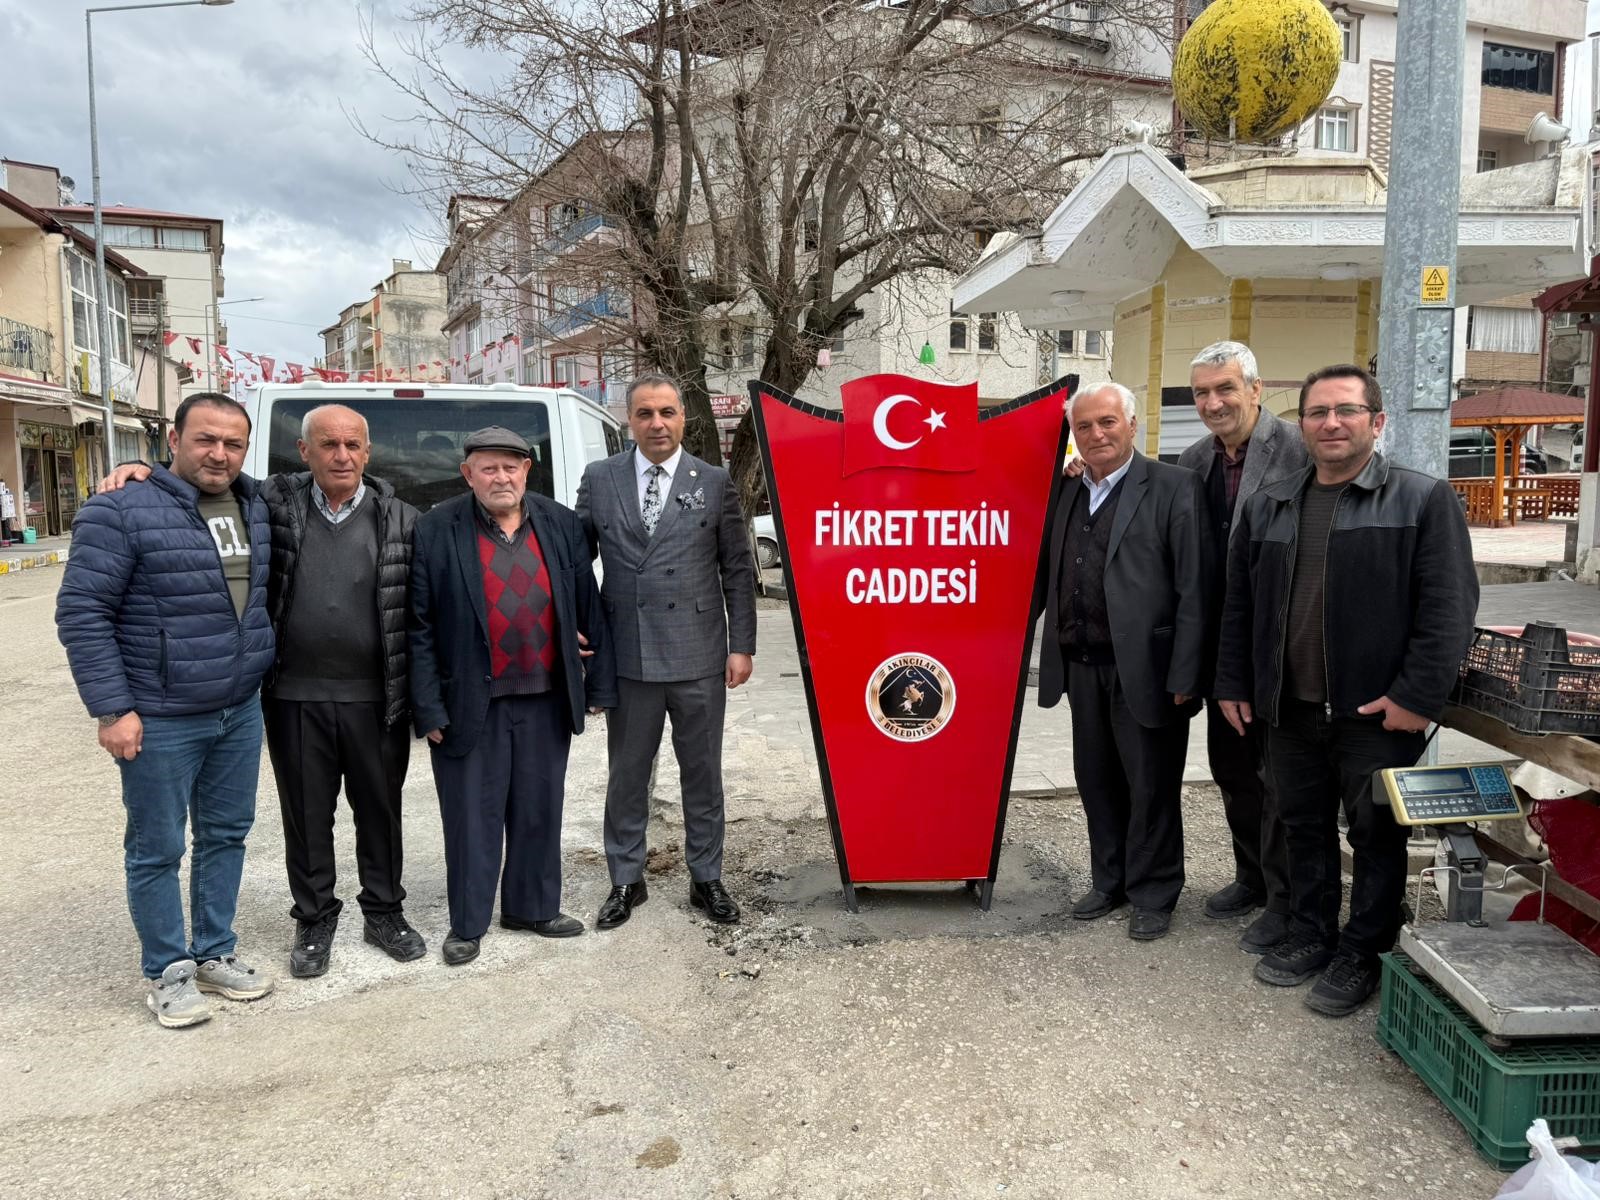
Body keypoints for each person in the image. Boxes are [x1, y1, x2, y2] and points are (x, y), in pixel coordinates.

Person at [99, 405, 426, 978]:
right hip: (292, 695)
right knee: (306, 815)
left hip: (377, 698)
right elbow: (200, 480)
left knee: (381, 812)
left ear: (369, 452)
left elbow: (426, 610)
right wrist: (142, 467)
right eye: (328, 445)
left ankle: (384, 910)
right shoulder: (271, 505)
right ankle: (315, 917)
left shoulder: (402, 517)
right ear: (304, 452)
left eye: (353, 445)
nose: (342, 456)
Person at [1216, 364, 1478, 1016]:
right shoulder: (1271, 502)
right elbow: (1239, 606)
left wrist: (1417, 697)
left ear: (1377, 422)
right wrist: (1233, 682)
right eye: (1318, 412)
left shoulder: (1421, 500)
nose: (1332, 423)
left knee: (1376, 833)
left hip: (1375, 713)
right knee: (1302, 827)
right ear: (1301, 425)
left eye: (1347, 411)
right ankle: (1311, 933)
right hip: (1288, 707)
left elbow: (1447, 610)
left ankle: (1363, 950)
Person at [57, 392, 276, 1028]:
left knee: (226, 834)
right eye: (205, 439)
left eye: (233, 443)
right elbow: (82, 612)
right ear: (172, 440)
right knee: (157, 848)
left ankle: (213, 951)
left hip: (239, 707)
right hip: (161, 714)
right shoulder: (120, 510)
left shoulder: (256, 504)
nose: (219, 453)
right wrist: (111, 707)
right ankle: (167, 970)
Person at [408, 426, 616, 965]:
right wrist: (427, 706)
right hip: (468, 701)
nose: (501, 477)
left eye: (511, 466)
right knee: (472, 817)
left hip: (546, 694)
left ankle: (533, 907)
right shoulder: (436, 529)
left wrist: (599, 684)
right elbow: (419, 625)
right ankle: (468, 923)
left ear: (528, 471)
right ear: (468, 473)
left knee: (539, 809)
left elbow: (585, 601)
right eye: (489, 467)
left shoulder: (560, 523)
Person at [575, 374, 757, 929]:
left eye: (668, 412)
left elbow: (737, 568)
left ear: (683, 418)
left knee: (701, 772)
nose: (657, 423)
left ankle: (708, 877)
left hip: (699, 653)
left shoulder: (714, 479)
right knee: (627, 773)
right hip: (627, 653)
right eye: (646, 413)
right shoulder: (600, 478)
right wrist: (576, 628)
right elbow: (574, 561)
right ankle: (626, 879)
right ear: (629, 420)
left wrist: (741, 645)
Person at [1036, 382, 1213, 941]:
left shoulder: (1173, 487)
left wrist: (1188, 672)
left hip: (1151, 671)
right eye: (1084, 426)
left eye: (1108, 422)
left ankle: (1154, 892)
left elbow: (1196, 588)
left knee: (1151, 786)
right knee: (1097, 781)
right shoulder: (1064, 491)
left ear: (1133, 425)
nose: (1096, 434)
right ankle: (1108, 880)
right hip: (1081, 664)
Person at [1177, 341, 1308, 954]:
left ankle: (1288, 900)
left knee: (1280, 780)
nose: (1212, 402)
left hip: (1283, 644)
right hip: (1222, 650)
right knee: (1233, 773)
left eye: (1225, 388)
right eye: (1202, 392)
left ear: (1256, 389)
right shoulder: (1194, 458)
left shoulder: (1300, 450)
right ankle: (1251, 877)